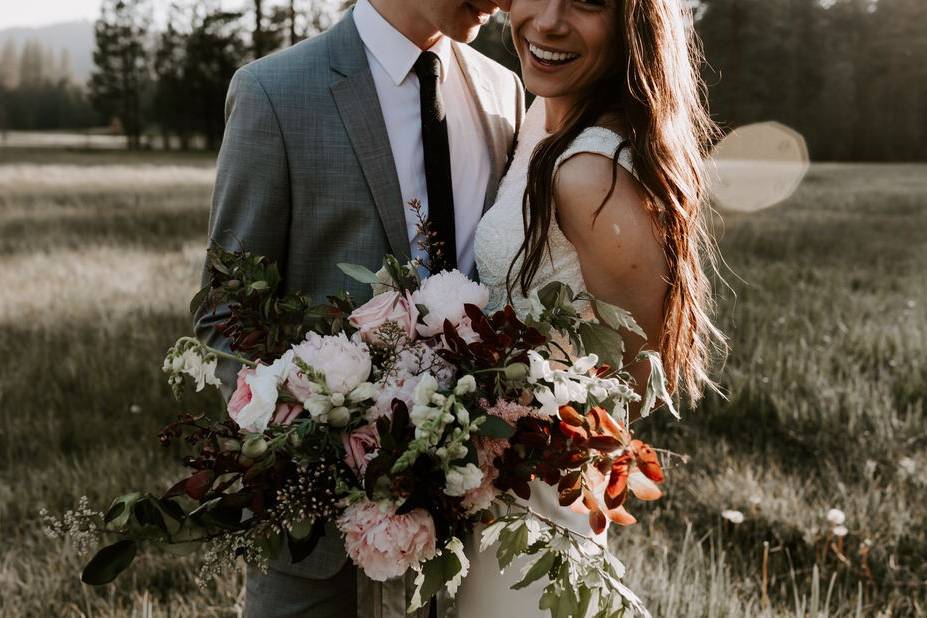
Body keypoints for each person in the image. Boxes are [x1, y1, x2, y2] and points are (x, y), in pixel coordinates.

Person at [193, 1, 523, 616]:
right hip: (314, 541)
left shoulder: (503, 90)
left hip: (467, 533)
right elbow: (224, 315)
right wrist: (309, 454)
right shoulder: (275, 91)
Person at [462, 0, 725, 614]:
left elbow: (631, 379)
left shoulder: (590, 171)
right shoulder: (541, 120)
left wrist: (510, 430)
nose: (548, 22)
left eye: (586, 2)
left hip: (540, 501)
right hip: (484, 486)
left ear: (633, 24)